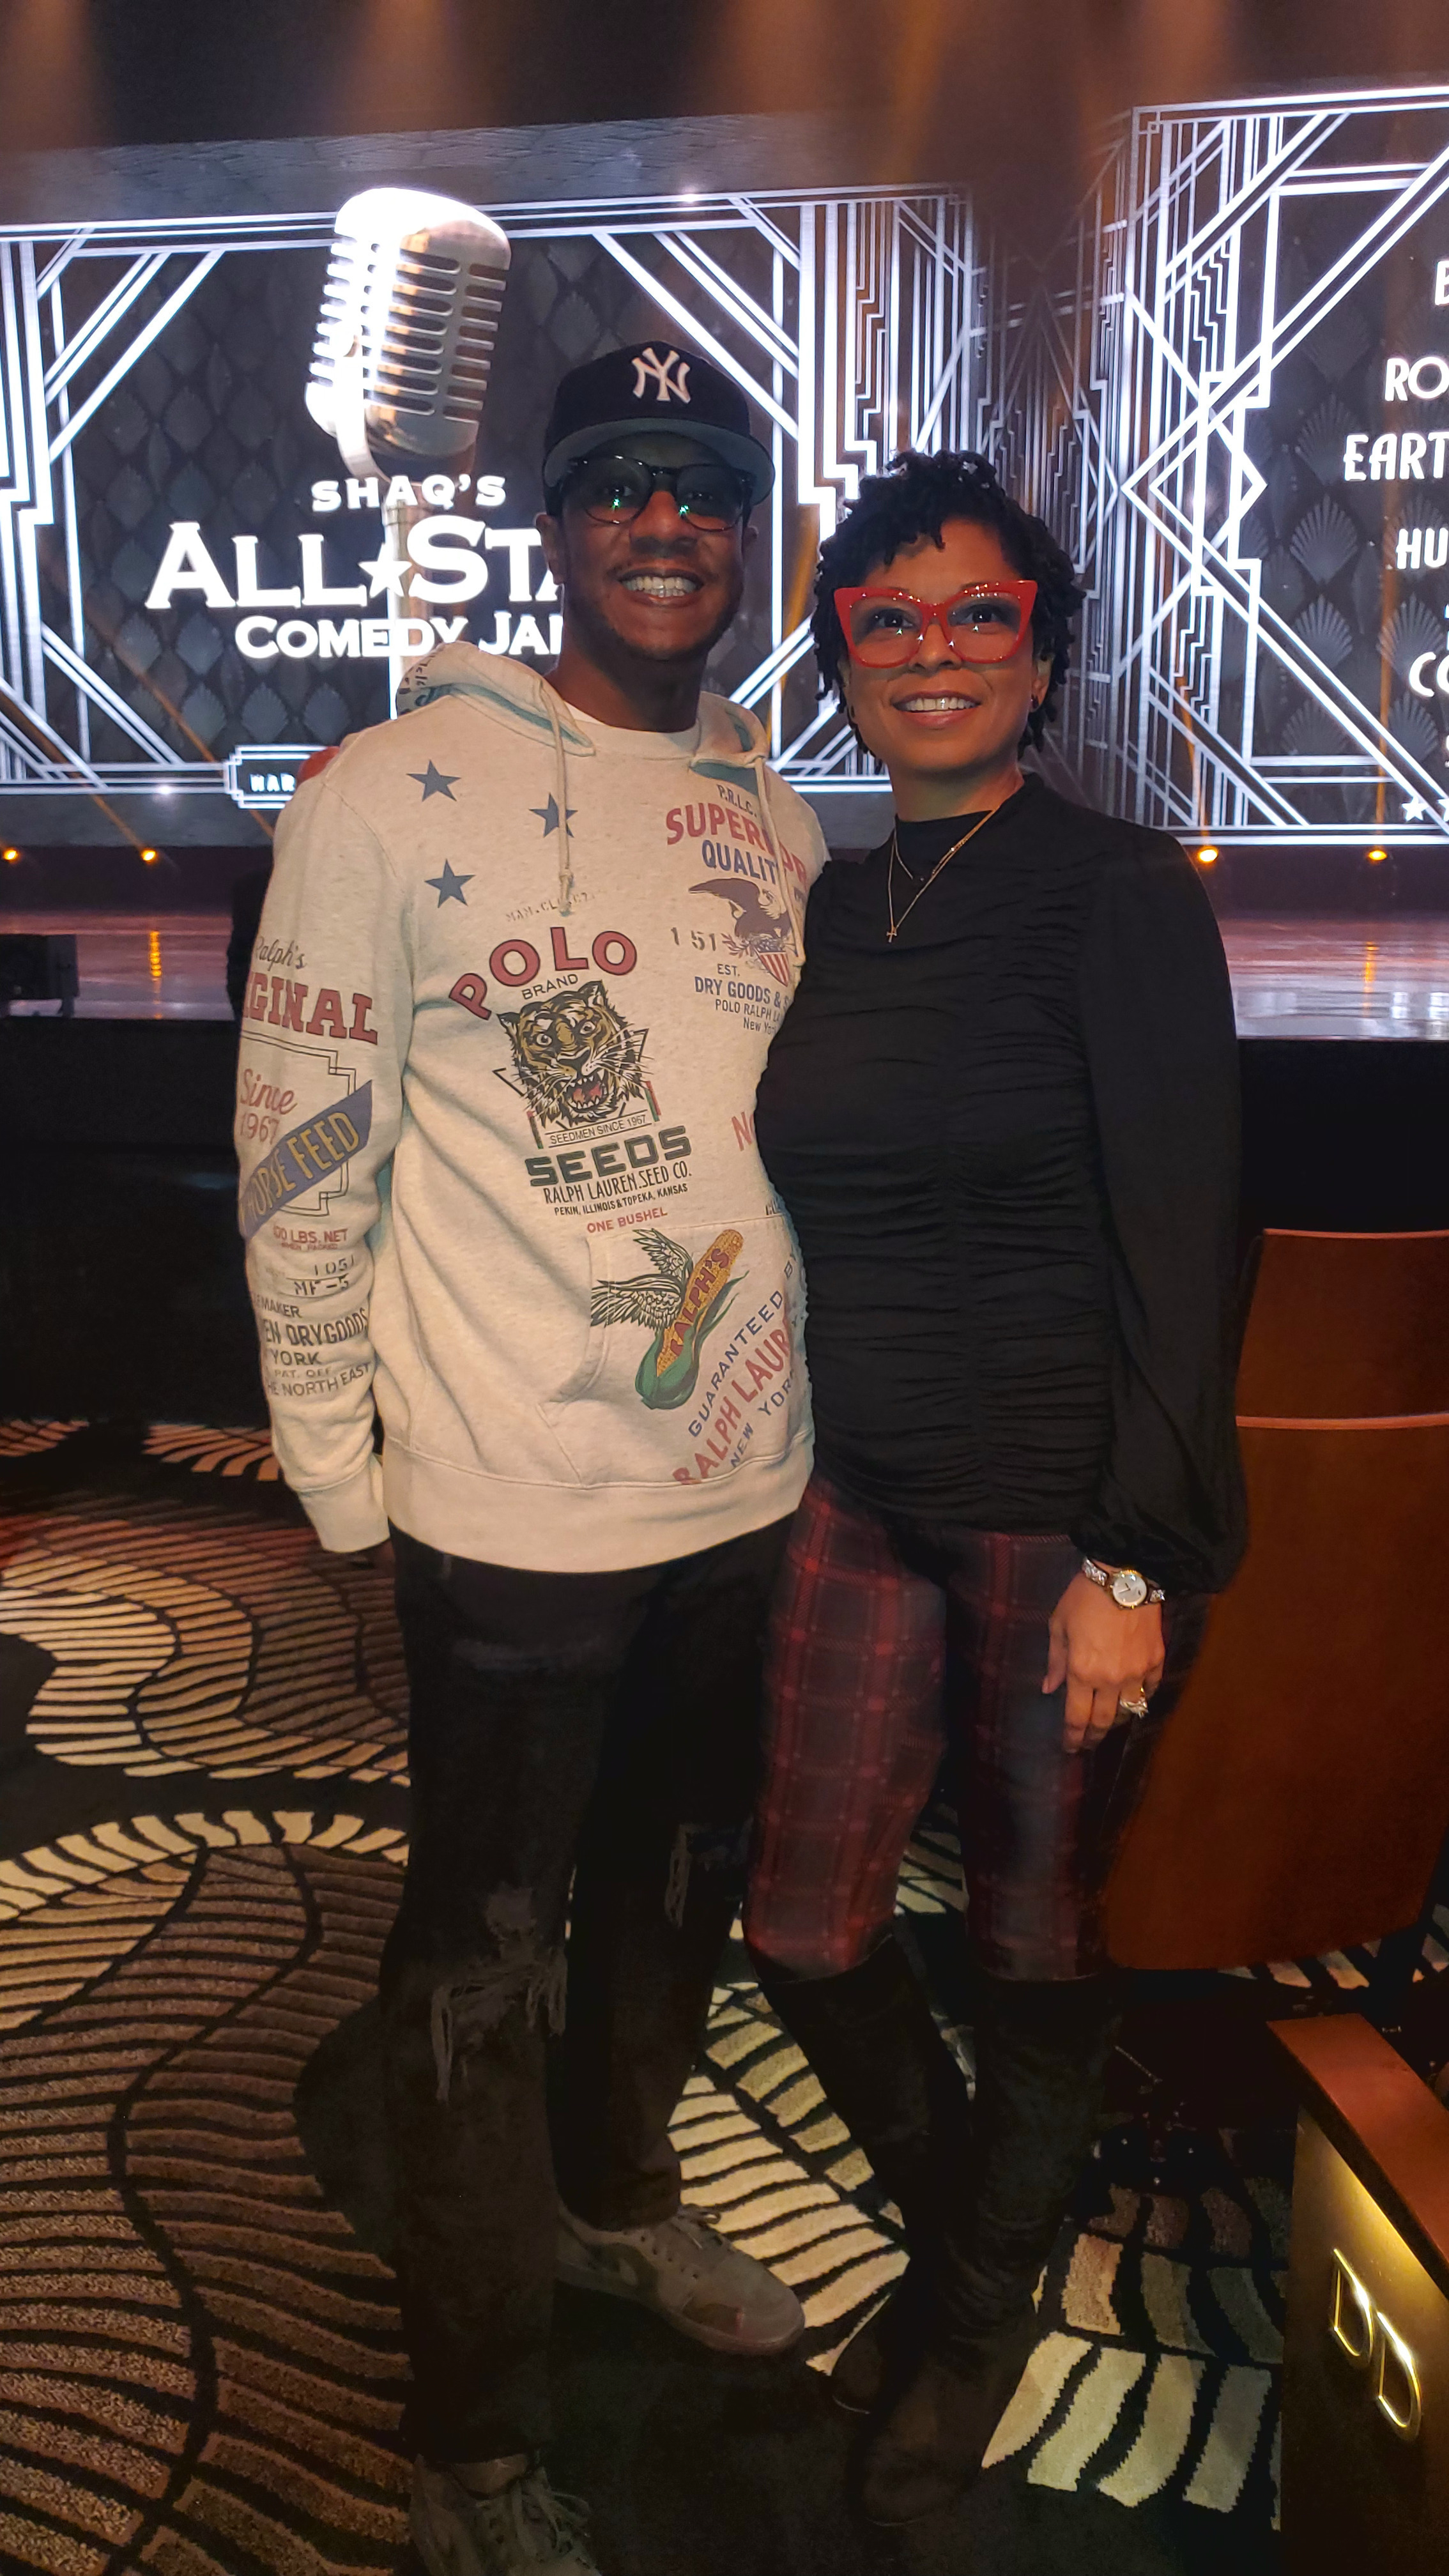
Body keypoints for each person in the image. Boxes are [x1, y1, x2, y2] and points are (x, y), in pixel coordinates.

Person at [234, 344, 829, 2576]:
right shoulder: (390, 792)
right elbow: (304, 1144)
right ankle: (470, 2441)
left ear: (748, 534)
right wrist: (331, 1459)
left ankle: (615, 2201)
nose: (664, 522)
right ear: (559, 526)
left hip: (744, 1488)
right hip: (505, 1511)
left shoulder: (771, 807)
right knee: (478, 1962)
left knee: (669, 1897)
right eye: (618, 484)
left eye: (704, 486)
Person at [744, 449, 1246, 2525]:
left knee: (1033, 1946)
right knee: (801, 1928)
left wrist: (1138, 1558)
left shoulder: (1114, 892)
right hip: (856, 1486)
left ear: (1043, 654)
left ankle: (964, 2316)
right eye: (886, 619)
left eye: (979, 614)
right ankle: (982, 2225)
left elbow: (1186, 1237)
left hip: (1060, 1516)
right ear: (840, 661)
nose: (931, 651)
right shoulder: (832, 904)